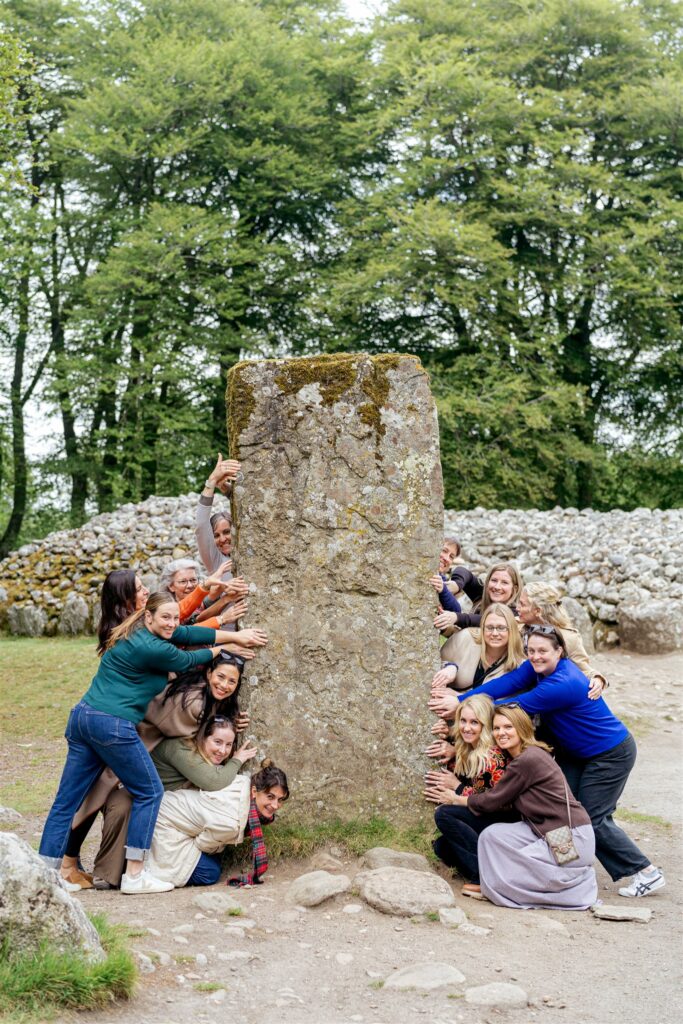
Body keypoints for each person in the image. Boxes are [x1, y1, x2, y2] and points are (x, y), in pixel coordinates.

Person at [38, 592, 267, 895]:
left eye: (175, 616)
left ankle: (43, 876)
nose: (173, 623)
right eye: (166, 617)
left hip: (82, 716)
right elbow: (188, 658)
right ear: (148, 616)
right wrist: (226, 646)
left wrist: (230, 634)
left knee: (65, 801)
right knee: (150, 792)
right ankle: (135, 874)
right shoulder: (153, 648)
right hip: (113, 724)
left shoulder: (139, 630)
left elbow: (188, 632)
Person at [457, 626, 665, 898]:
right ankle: (566, 865)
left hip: (610, 753)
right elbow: (507, 684)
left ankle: (646, 872)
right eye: (531, 650)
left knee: (590, 818)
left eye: (543, 651)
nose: (535, 656)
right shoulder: (539, 667)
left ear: (560, 652)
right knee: (559, 811)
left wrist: (461, 709)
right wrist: (464, 698)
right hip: (577, 753)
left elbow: (512, 708)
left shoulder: (562, 682)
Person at [445, 704, 598, 910]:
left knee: (521, 868)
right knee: (492, 835)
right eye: (497, 728)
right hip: (548, 831)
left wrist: (456, 797)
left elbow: (492, 800)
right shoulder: (525, 756)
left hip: (571, 835)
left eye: (508, 727)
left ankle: (579, 887)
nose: (501, 733)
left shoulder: (528, 759)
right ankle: (493, 884)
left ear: (522, 727)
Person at [88, 714, 258, 889]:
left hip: (163, 811)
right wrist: (237, 760)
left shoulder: (202, 754)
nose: (223, 751)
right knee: (208, 870)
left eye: (228, 744)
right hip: (137, 800)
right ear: (202, 737)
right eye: (217, 742)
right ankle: (112, 874)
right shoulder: (181, 750)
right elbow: (212, 782)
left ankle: (130, 871)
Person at [147, 759, 289, 888]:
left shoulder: (242, 782)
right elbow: (201, 844)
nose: (275, 805)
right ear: (254, 791)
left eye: (280, 799)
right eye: (270, 797)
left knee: (213, 853)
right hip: (164, 823)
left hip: (171, 804)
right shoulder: (232, 824)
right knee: (210, 872)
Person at [424, 694, 513, 892]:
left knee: (445, 814)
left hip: (502, 818)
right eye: (463, 721)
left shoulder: (492, 755)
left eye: (474, 722)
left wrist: (457, 789)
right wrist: (446, 736)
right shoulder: (469, 748)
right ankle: (496, 871)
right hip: (485, 813)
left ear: (485, 725)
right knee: (442, 846)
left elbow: (490, 800)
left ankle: (482, 877)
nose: (466, 727)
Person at [518, 581, 607, 694]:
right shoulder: (516, 628)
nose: (517, 608)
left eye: (522, 604)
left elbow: (582, 669)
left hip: (549, 695)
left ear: (537, 611)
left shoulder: (568, 638)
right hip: (515, 688)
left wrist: (598, 678)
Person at [429, 603, 525, 701]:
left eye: (501, 628)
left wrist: (459, 697)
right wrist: (450, 666)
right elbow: (431, 664)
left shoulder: (520, 664)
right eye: (489, 627)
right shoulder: (465, 638)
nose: (495, 633)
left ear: (512, 630)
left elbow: (505, 705)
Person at [159, 557, 248, 628]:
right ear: (171, 586)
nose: (190, 585)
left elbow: (206, 604)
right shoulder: (166, 607)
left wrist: (224, 592)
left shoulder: (200, 602)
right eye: (183, 582)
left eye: (193, 580)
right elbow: (192, 625)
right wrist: (222, 618)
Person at [434, 561, 523, 631]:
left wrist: (456, 617)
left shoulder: (515, 612)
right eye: (494, 580)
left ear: (514, 588)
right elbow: (462, 570)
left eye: (504, 582)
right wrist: (457, 584)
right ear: (488, 581)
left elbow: (489, 620)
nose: (497, 587)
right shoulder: (483, 594)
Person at [196, 453, 239, 578]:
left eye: (226, 532)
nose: (222, 539)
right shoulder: (215, 560)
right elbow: (201, 524)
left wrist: (227, 490)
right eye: (216, 535)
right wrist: (212, 481)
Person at [96, 569, 149, 656]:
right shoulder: (132, 637)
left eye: (143, 586)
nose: (146, 591)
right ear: (124, 600)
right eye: (139, 589)